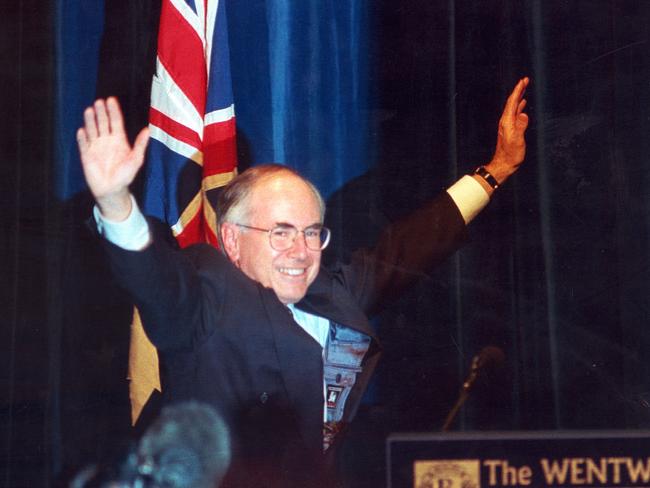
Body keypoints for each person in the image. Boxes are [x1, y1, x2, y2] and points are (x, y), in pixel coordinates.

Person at [77, 78, 529, 487]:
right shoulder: (207, 294)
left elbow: (409, 247)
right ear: (232, 240)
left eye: (312, 232)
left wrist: (494, 172)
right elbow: (158, 282)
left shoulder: (330, 293)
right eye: (281, 232)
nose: (300, 249)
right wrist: (116, 203)